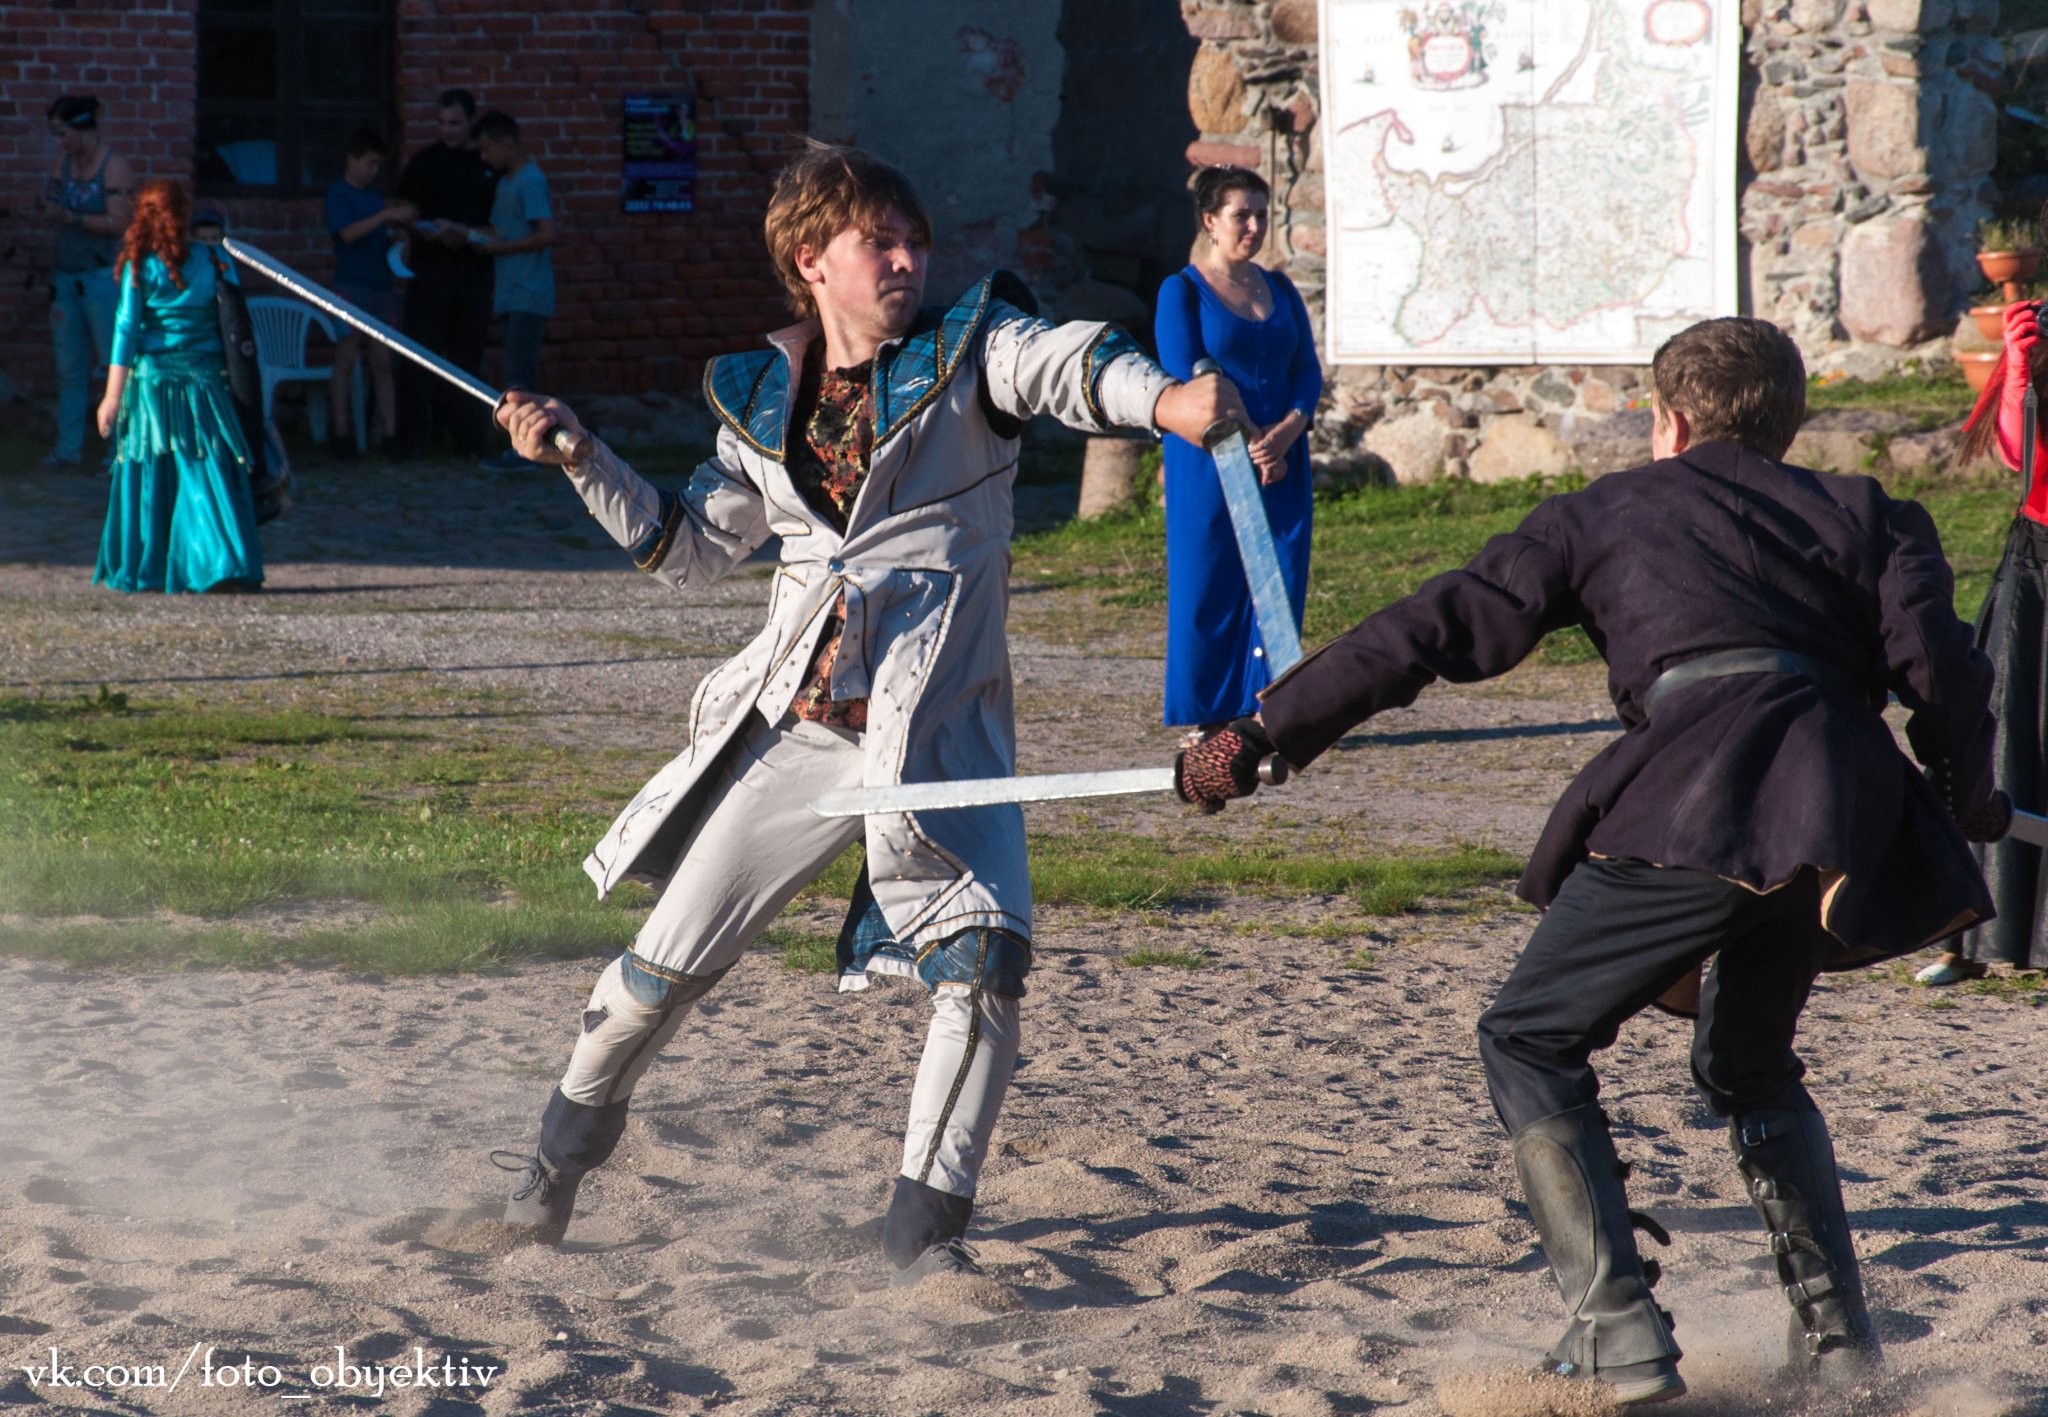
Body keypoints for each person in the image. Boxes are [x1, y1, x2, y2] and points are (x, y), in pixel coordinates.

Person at [1175, 317, 2006, 1404]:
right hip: (1833, 819)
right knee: (1748, 1063)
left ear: (1669, 422)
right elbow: (1942, 669)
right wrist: (1964, 793)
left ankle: (1617, 1331)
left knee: (1527, 1035)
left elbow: (1432, 625)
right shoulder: (1870, 511)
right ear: (1786, 425)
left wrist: (1258, 731)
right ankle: (1841, 1349)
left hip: (1699, 803)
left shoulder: (1602, 510)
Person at [487, 141, 1247, 1283]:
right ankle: (553, 1165)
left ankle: (920, 1241)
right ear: (811, 260)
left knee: (983, 969)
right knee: (653, 981)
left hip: (941, 738)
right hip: (797, 738)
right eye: (877, 242)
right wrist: (580, 454)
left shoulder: (971, 352)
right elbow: (688, 550)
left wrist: (1169, 401)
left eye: (914, 242)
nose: (906, 261)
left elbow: (1070, 363)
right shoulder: (760, 401)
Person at [1154, 166, 1321, 737]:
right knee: (1210, 579)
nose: (1254, 226)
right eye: (1240, 215)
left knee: (1280, 575)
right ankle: (1209, 714)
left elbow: (1307, 370)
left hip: (1282, 460)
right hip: (1211, 460)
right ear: (1210, 221)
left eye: (1261, 215)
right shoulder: (1181, 291)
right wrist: (1250, 436)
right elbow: (1185, 370)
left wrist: (1286, 433)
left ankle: (1270, 706)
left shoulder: (1281, 289)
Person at [1916, 273, 2048, 986]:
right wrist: (2020, 367)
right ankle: (1974, 935)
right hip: (2038, 564)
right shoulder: (2039, 330)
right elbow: (2019, 459)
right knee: (2008, 738)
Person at [92, 179, 263, 595]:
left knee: (156, 472)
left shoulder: (140, 267)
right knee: (208, 467)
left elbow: (126, 330)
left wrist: (112, 396)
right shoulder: (215, 259)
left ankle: (158, 563)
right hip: (207, 382)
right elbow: (234, 316)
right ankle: (222, 559)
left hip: (154, 386)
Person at [394, 88, 497, 457]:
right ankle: (414, 439)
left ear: (470, 121)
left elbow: (500, 226)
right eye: (441, 122)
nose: (447, 130)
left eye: (454, 123)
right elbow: (406, 213)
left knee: (466, 356)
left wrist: (465, 234)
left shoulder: (486, 165)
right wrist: (421, 229)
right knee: (418, 353)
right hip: (429, 272)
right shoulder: (425, 162)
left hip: (472, 273)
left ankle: (467, 440)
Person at [39, 94, 133, 470]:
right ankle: (68, 449)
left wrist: (73, 218)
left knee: (113, 363)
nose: (60, 142)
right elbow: (51, 196)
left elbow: (120, 221)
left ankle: (119, 450)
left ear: (82, 128)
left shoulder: (112, 166)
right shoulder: (64, 163)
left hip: (100, 275)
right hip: (67, 274)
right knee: (69, 367)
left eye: (63, 133)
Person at [463, 110, 555, 473]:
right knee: (514, 373)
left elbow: (545, 233)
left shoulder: (530, 180)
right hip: (509, 292)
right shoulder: (506, 183)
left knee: (520, 378)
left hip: (527, 293)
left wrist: (500, 248)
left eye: (488, 149)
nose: (485, 157)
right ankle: (523, 449)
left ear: (506, 143)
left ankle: (528, 452)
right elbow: (502, 230)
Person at [324, 129, 413, 460]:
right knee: (346, 359)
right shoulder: (339, 195)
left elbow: (376, 235)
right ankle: (341, 432)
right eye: (369, 163)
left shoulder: (373, 197)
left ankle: (389, 433)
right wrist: (384, 216)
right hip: (351, 287)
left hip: (380, 287)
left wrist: (397, 236)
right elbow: (348, 234)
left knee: (383, 363)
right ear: (352, 160)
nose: (373, 171)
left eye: (378, 165)